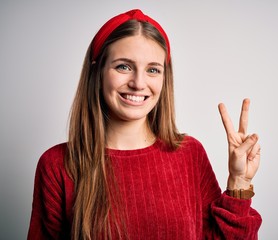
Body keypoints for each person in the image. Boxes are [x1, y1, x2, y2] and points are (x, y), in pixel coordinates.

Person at [27, 9, 262, 240]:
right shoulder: (57, 165)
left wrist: (239, 182)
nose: (139, 83)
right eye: (123, 66)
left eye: (152, 70)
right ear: (97, 72)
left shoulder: (190, 154)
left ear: (164, 78)